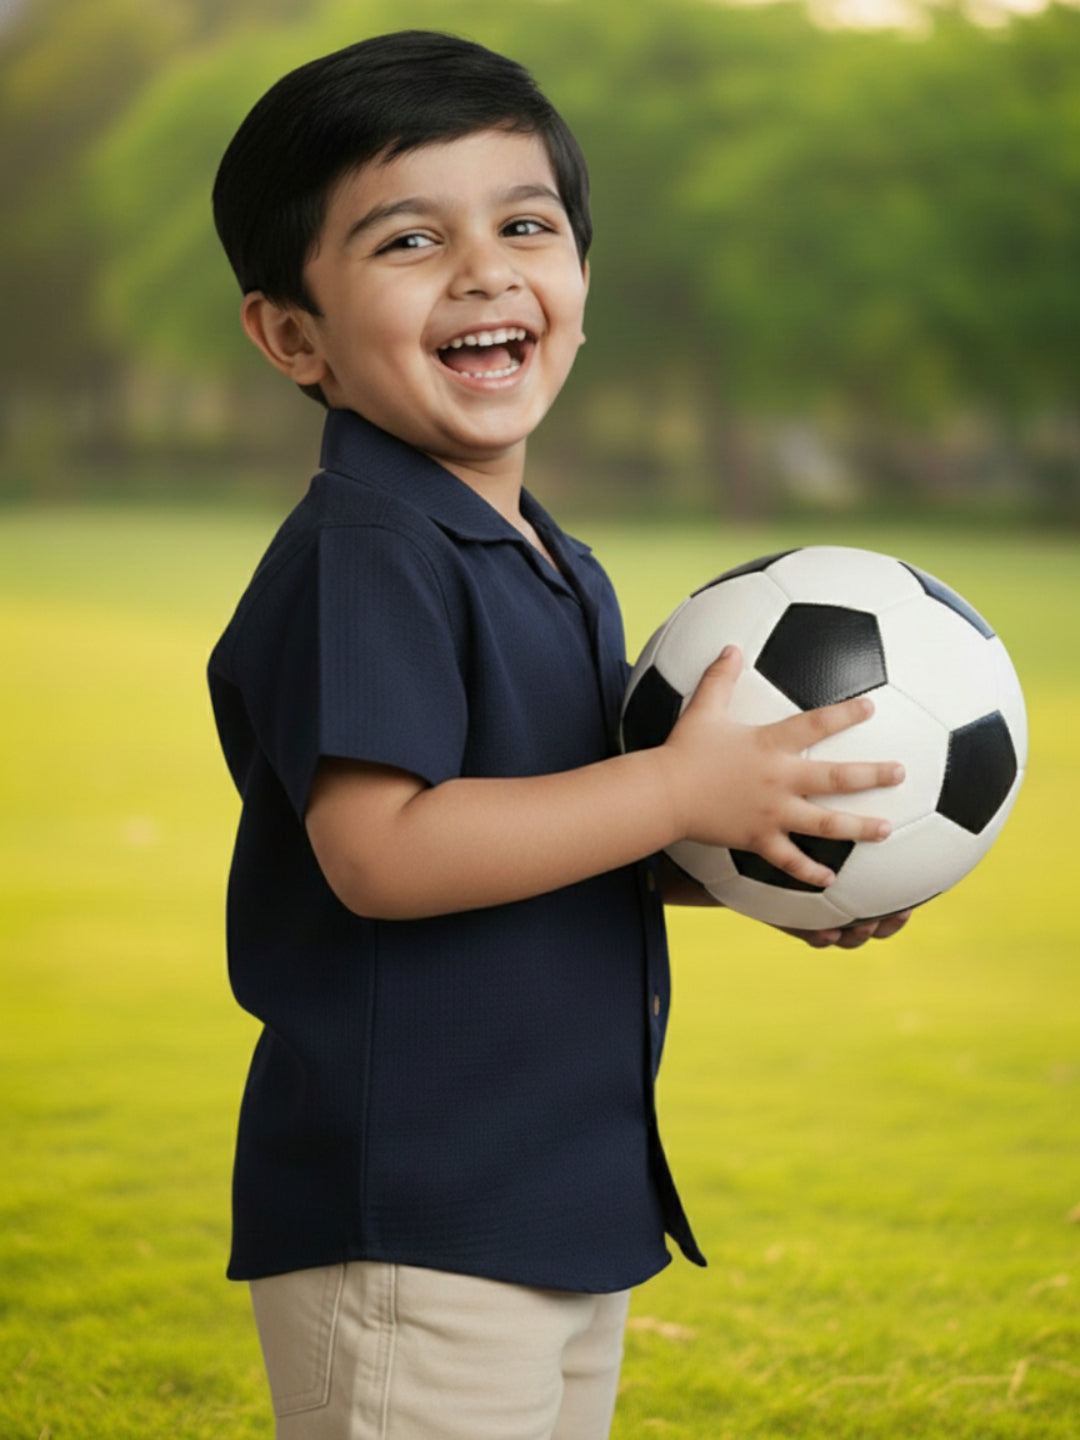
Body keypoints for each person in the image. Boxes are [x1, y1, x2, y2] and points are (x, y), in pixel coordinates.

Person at [207, 30, 908, 1440]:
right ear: (293, 335)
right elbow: (385, 854)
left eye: (526, 226)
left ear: (582, 278)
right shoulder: (371, 548)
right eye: (411, 240)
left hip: (554, 1197)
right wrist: (675, 789)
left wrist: (747, 857)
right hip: (416, 1215)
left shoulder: (547, 557)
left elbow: (544, 839)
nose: (485, 271)